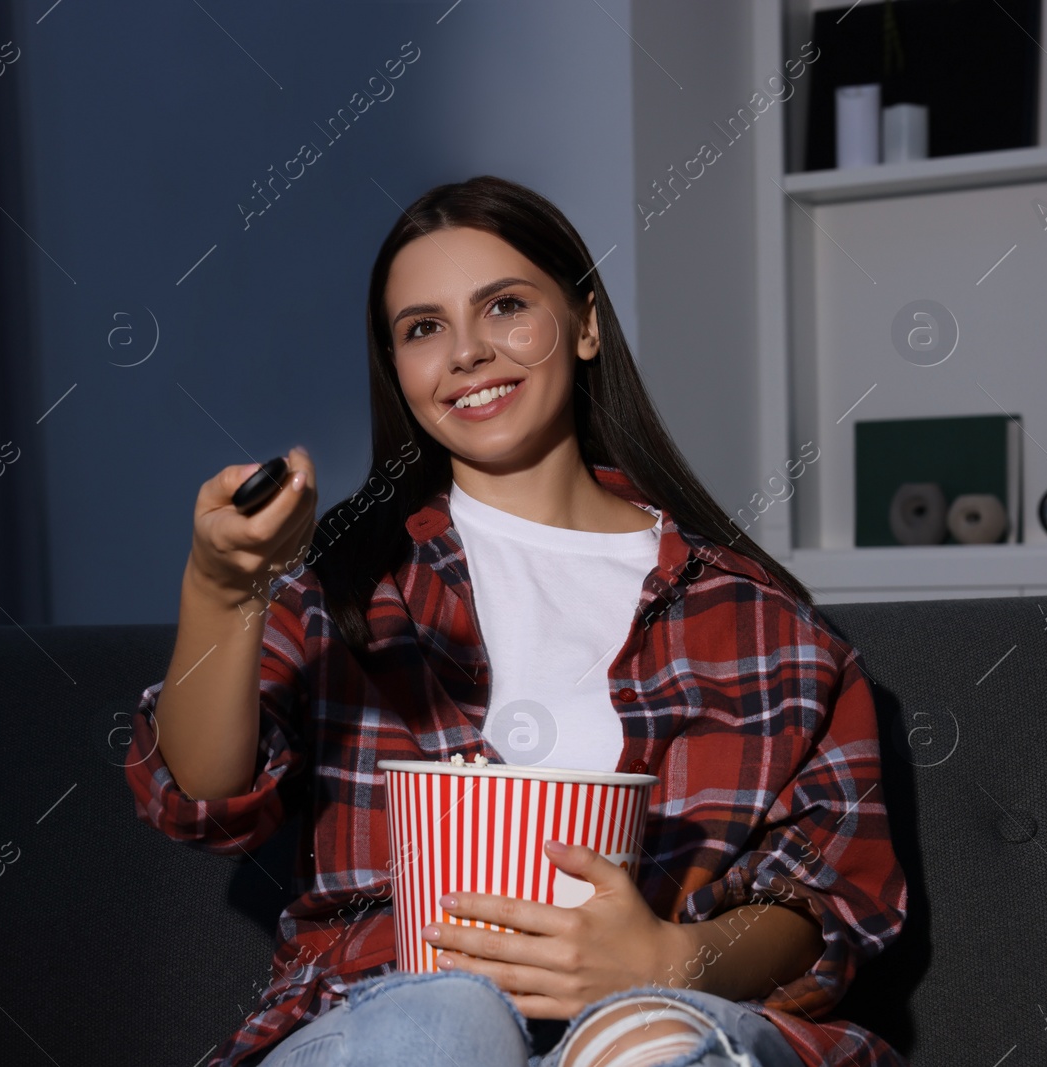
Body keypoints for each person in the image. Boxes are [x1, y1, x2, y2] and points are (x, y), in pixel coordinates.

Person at [123, 175, 908, 1067]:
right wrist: (224, 589)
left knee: (649, 1041)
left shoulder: (760, 621)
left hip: (658, 1019)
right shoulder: (349, 586)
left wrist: (678, 957)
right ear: (398, 368)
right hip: (393, 1021)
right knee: (450, 1019)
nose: (465, 352)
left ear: (584, 326)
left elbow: (831, 898)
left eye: (504, 307)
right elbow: (202, 795)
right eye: (423, 328)